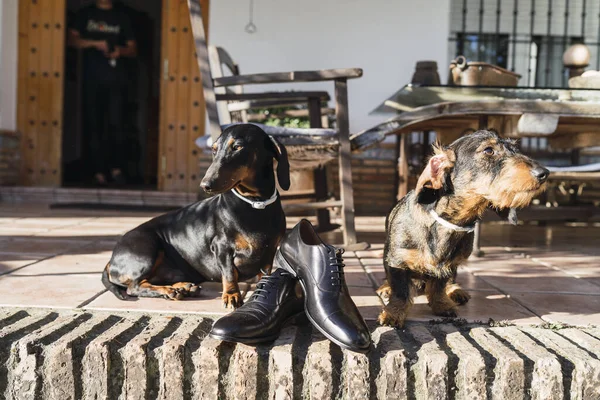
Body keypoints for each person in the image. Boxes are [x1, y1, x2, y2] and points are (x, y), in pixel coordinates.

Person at [69, 0, 137, 186]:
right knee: (93, 125)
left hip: (117, 81)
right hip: (91, 80)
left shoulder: (122, 16)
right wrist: (95, 43)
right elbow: (72, 39)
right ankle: (97, 172)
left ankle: (116, 170)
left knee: (116, 124)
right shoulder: (85, 14)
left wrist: (119, 52)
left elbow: (132, 48)